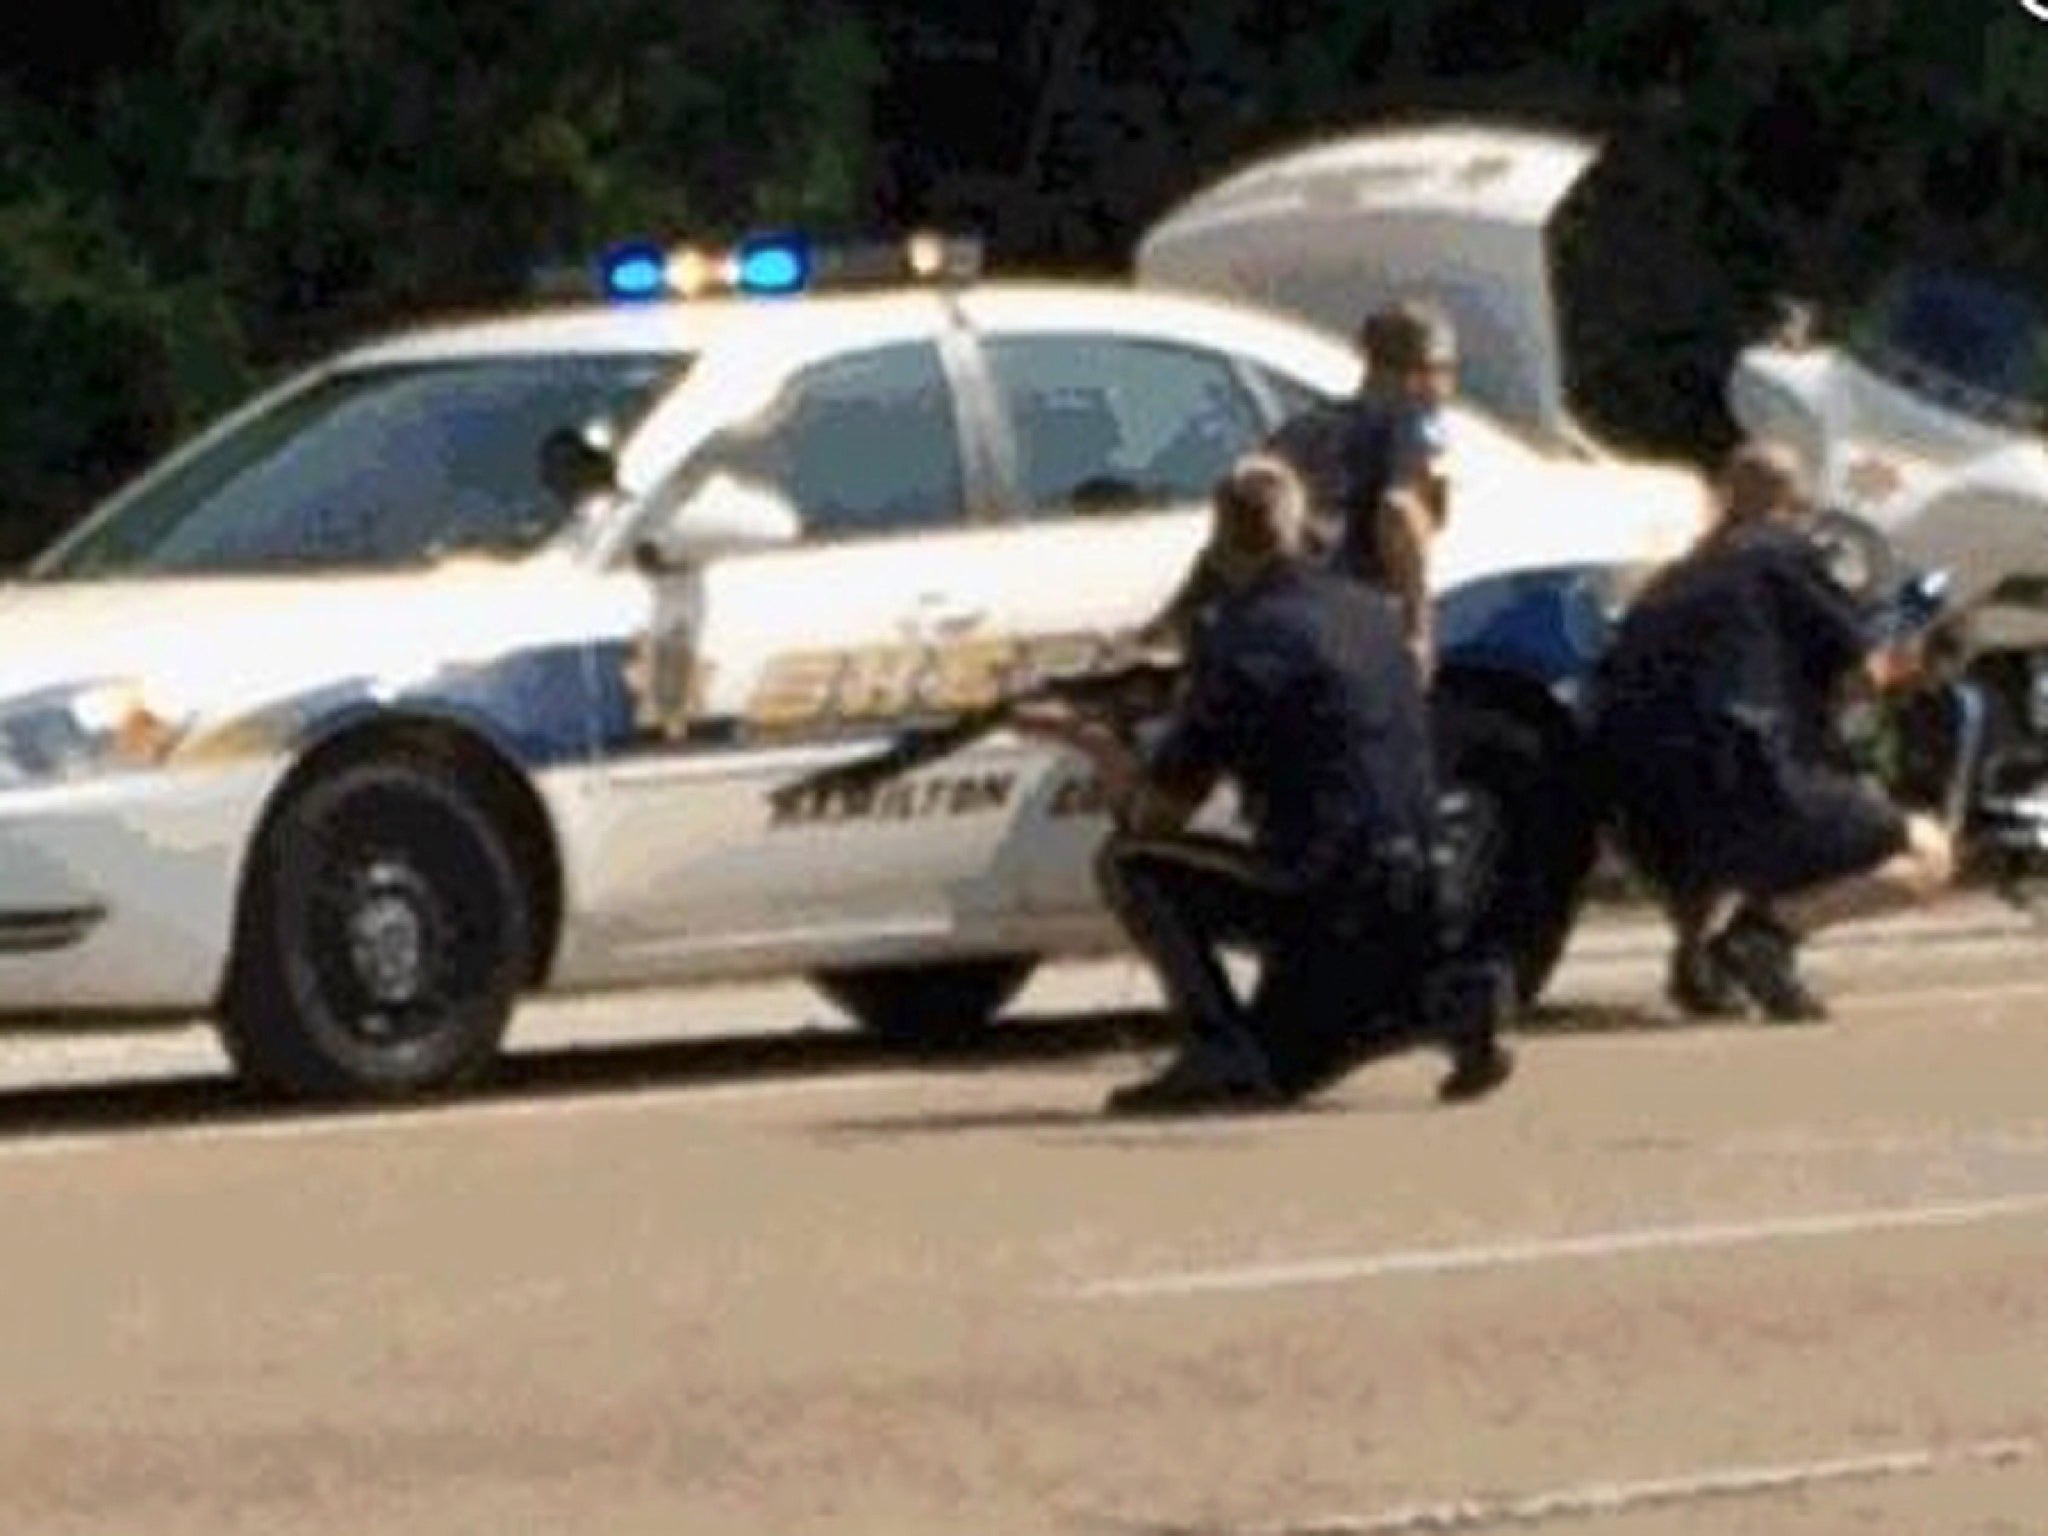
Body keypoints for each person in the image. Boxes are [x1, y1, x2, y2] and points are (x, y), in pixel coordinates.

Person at [1013, 452, 1515, 1114]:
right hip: (1425, 887)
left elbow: (1157, 817)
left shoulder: (1243, 644)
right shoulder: (1370, 615)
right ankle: (1447, 1002)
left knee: (1134, 866)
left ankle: (1220, 1047)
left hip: (1322, 892)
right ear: (1301, 526)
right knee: (1325, 1026)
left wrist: (1093, 742)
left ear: (1219, 542)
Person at [1591, 439, 1957, 1022]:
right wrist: (1917, 650)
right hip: (1747, 785)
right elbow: (1864, 675)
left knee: (1703, 782)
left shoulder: (1670, 580)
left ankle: (1696, 963)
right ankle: (1765, 938)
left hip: (1639, 819)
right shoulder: (1781, 555)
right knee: (1928, 853)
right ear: (1792, 502)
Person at [1144, 298, 1459, 678]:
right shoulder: (1409, 422)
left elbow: (1240, 514)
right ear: (1417, 374)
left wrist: (1173, 622)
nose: (1448, 386)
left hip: (1254, 611)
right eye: (1445, 370)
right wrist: (1419, 630)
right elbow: (1399, 513)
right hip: (1333, 614)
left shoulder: (1304, 426)